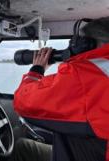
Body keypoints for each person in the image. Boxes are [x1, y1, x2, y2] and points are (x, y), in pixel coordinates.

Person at [13, 17, 109, 161]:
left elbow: (23, 102)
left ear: (87, 45)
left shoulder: (87, 76)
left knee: (22, 146)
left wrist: (36, 70)